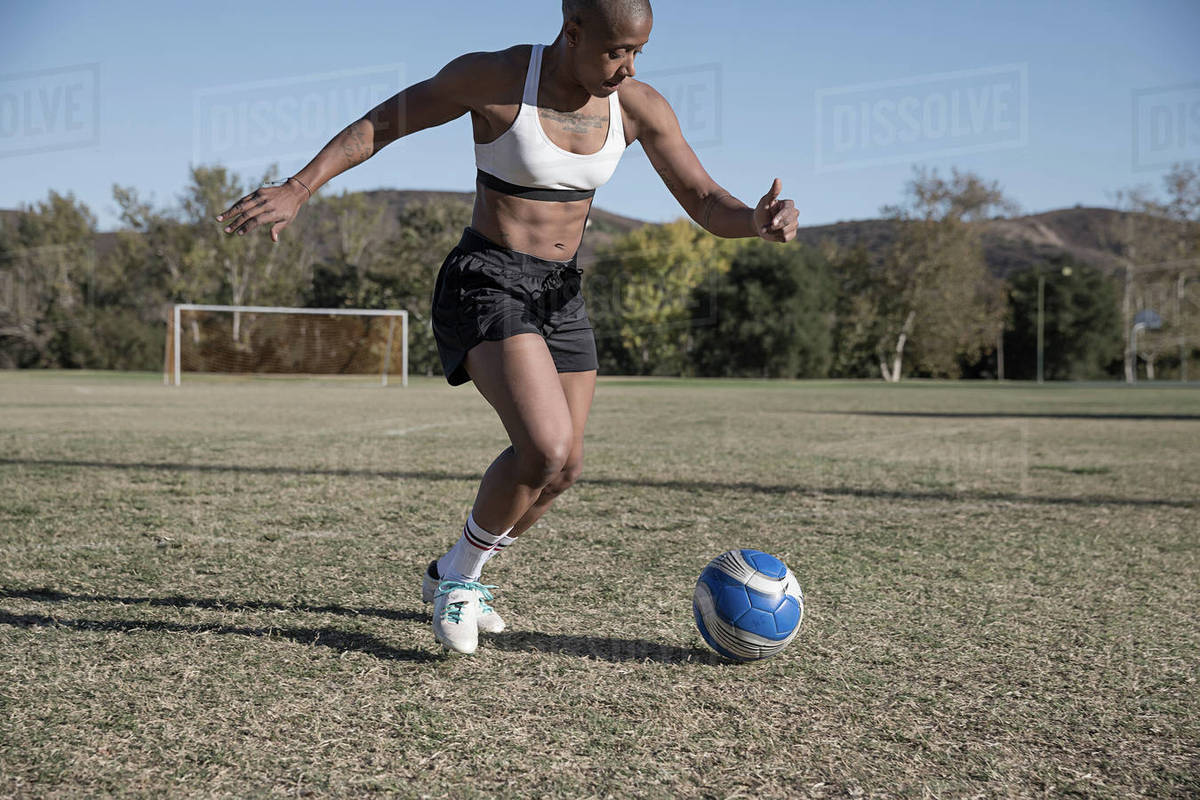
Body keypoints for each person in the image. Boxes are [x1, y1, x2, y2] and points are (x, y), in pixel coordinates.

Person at [216, 0, 799, 655]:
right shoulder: (494, 78)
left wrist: (754, 219)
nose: (627, 66)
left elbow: (702, 199)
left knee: (565, 468)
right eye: (615, 51)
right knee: (543, 447)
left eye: (638, 53)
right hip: (487, 278)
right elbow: (383, 123)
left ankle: (453, 570)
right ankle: (459, 584)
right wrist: (298, 187)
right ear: (572, 32)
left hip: (562, 293)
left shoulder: (638, 107)